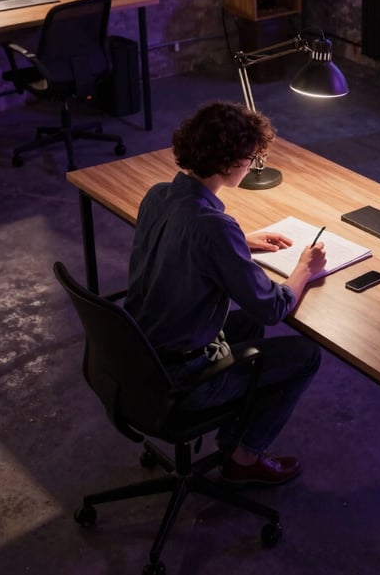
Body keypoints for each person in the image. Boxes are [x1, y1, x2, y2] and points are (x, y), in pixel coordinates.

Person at [125, 100, 326, 486]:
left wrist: (241, 242)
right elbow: (273, 308)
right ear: (229, 162)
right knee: (305, 356)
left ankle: (233, 438)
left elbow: (179, 244)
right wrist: (304, 269)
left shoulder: (157, 195)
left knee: (245, 321)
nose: (251, 165)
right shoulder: (214, 228)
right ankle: (244, 457)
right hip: (182, 379)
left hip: (140, 355)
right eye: (250, 158)